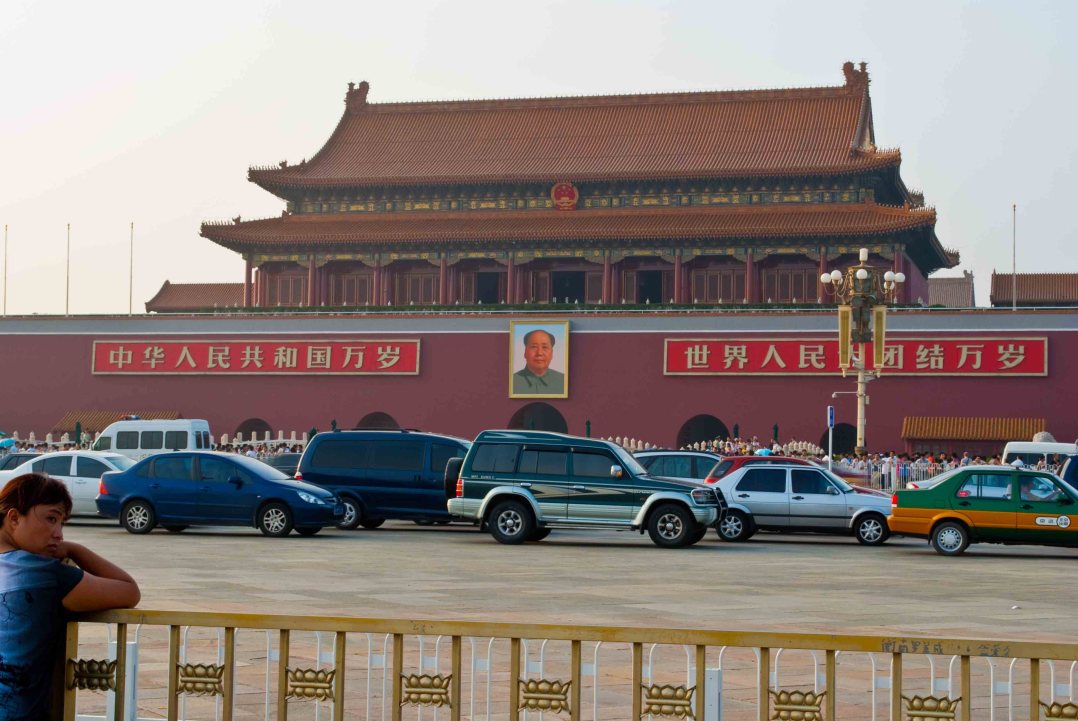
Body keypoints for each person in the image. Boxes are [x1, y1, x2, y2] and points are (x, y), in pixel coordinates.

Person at [0, 473, 140, 720]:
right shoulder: (41, 574)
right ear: (13, 518)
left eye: (62, 523)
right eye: (51, 519)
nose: (58, 534)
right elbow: (128, 590)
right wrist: (76, 550)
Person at [511, 329, 565, 395]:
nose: (539, 353)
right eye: (534, 347)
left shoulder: (563, 381)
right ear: (525, 352)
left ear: (552, 353)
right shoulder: (512, 382)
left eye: (545, 347)